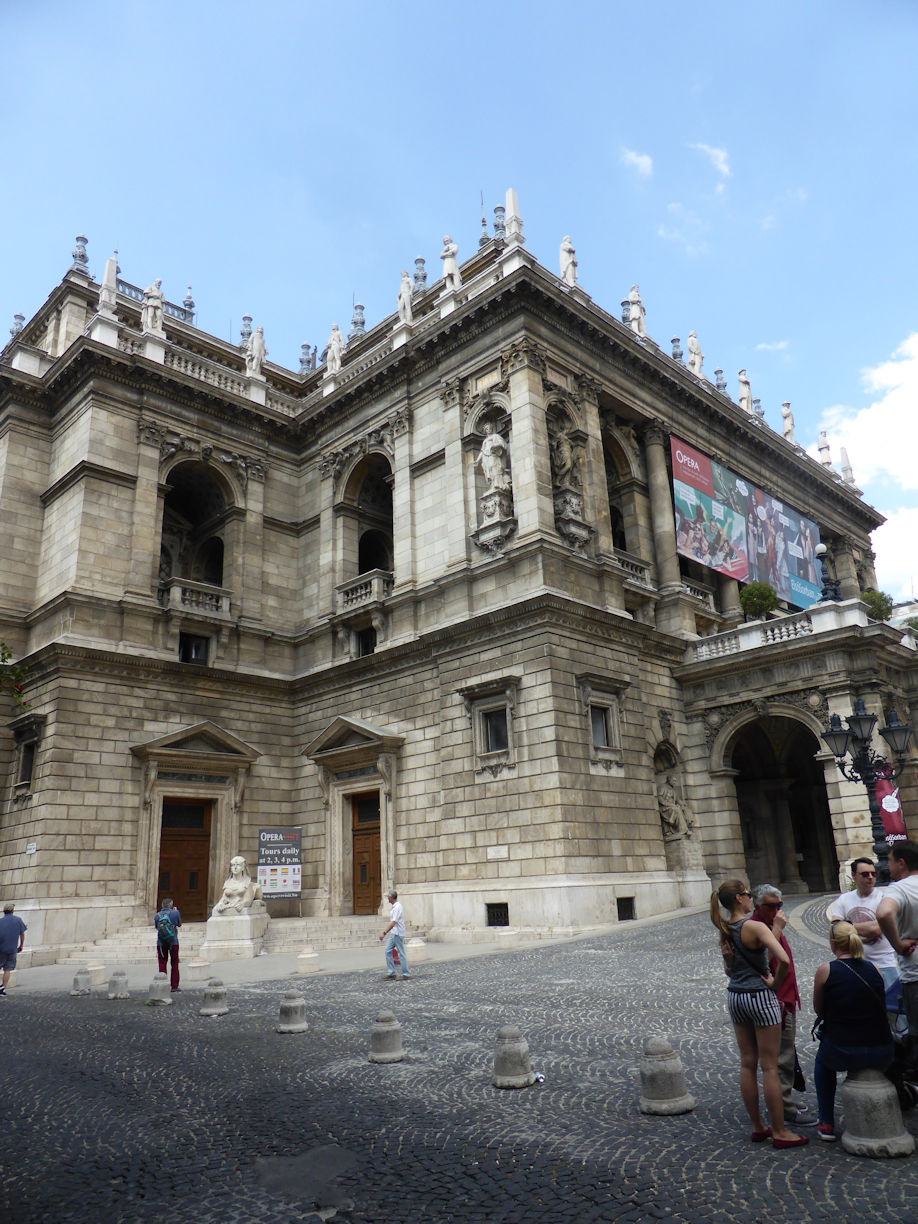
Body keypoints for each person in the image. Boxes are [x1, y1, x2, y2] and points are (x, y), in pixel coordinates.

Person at [710, 879, 807, 1148]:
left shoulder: (725, 928)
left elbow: (730, 969)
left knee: (747, 1063)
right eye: (748, 895)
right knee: (770, 1066)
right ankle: (780, 1131)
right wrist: (775, 983)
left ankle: (758, 1126)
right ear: (740, 899)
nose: (751, 898)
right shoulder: (753, 926)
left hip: (736, 996)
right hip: (760, 997)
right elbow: (783, 960)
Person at [812, 920, 895, 1141]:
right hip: (882, 1050)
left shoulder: (826, 970)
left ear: (833, 943)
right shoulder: (875, 968)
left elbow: (819, 1009)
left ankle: (826, 1122)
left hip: (844, 1050)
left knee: (822, 1063)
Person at [751, 886, 814, 1125]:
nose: (778, 911)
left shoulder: (768, 924)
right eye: (771, 906)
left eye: (780, 905)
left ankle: (784, 1098)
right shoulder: (757, 928)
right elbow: (762, 962)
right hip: (775, 1001)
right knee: (782, 1057)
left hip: (786, 997)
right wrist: (777, 930)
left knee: (786, 1055)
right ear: (757, 907)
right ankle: (785, 1108)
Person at [831, 857, 900, 1020]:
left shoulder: (884, 898)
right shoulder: (844, 899)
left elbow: (877, 929)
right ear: (854, 876)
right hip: (856, 964)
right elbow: (835, 929)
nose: (870, 877)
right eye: (865, 874)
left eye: (873, 873)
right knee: (864, 1011)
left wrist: (849, 928)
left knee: (895, 1014)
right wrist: (866, 929)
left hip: (886, 963)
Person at [877, 840, 918, 1059]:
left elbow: (883, 913)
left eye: (889, 861)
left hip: (915, 973)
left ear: (901, 863)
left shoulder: (900, 889)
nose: (886, 866)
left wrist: (898, 945)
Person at [379, 889, 410, 980]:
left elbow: (393, 923)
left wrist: (384, 933)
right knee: (387, 950)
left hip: (398, 933)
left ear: (392, 897)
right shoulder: (394, 907)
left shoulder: (397, 907)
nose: (387, 898)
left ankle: (406, 974)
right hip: (394, 933)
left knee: (401, 953)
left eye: (388, 897)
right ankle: (391, 972)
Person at [154, 896, 182, 993]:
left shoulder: (157, 915)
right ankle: (174, 986)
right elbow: (179, 924)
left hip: (161, 943)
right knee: (174, 963)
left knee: (162, 963)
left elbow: (157, 927)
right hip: (173, 942)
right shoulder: (175, 913)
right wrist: (175, 912)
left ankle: (163, 984)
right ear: (171, 905)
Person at [0, 901, 27, 996]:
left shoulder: (0, 921)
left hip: (1, 948)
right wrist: (21, 945)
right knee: (7, 969)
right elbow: (22, 934)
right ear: (12, 911)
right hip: (12, 949)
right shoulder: (18, 920)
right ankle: (3, 988)